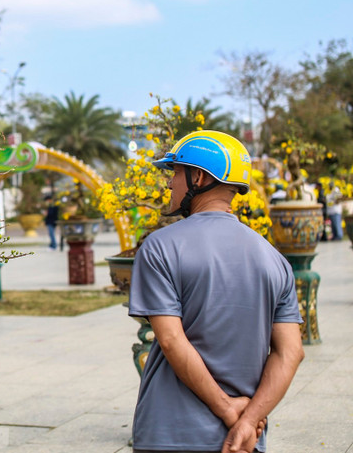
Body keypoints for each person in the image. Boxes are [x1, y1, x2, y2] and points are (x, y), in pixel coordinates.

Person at [128, 130, 305, 453]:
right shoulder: (274, 259)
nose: (169, 184)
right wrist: (249, 420)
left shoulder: (160, 248)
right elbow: (291, 352)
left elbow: (171, 339)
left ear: (198, 177)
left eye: (175, 173)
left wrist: (227, 409)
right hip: (244, 441)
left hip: (170, 433)